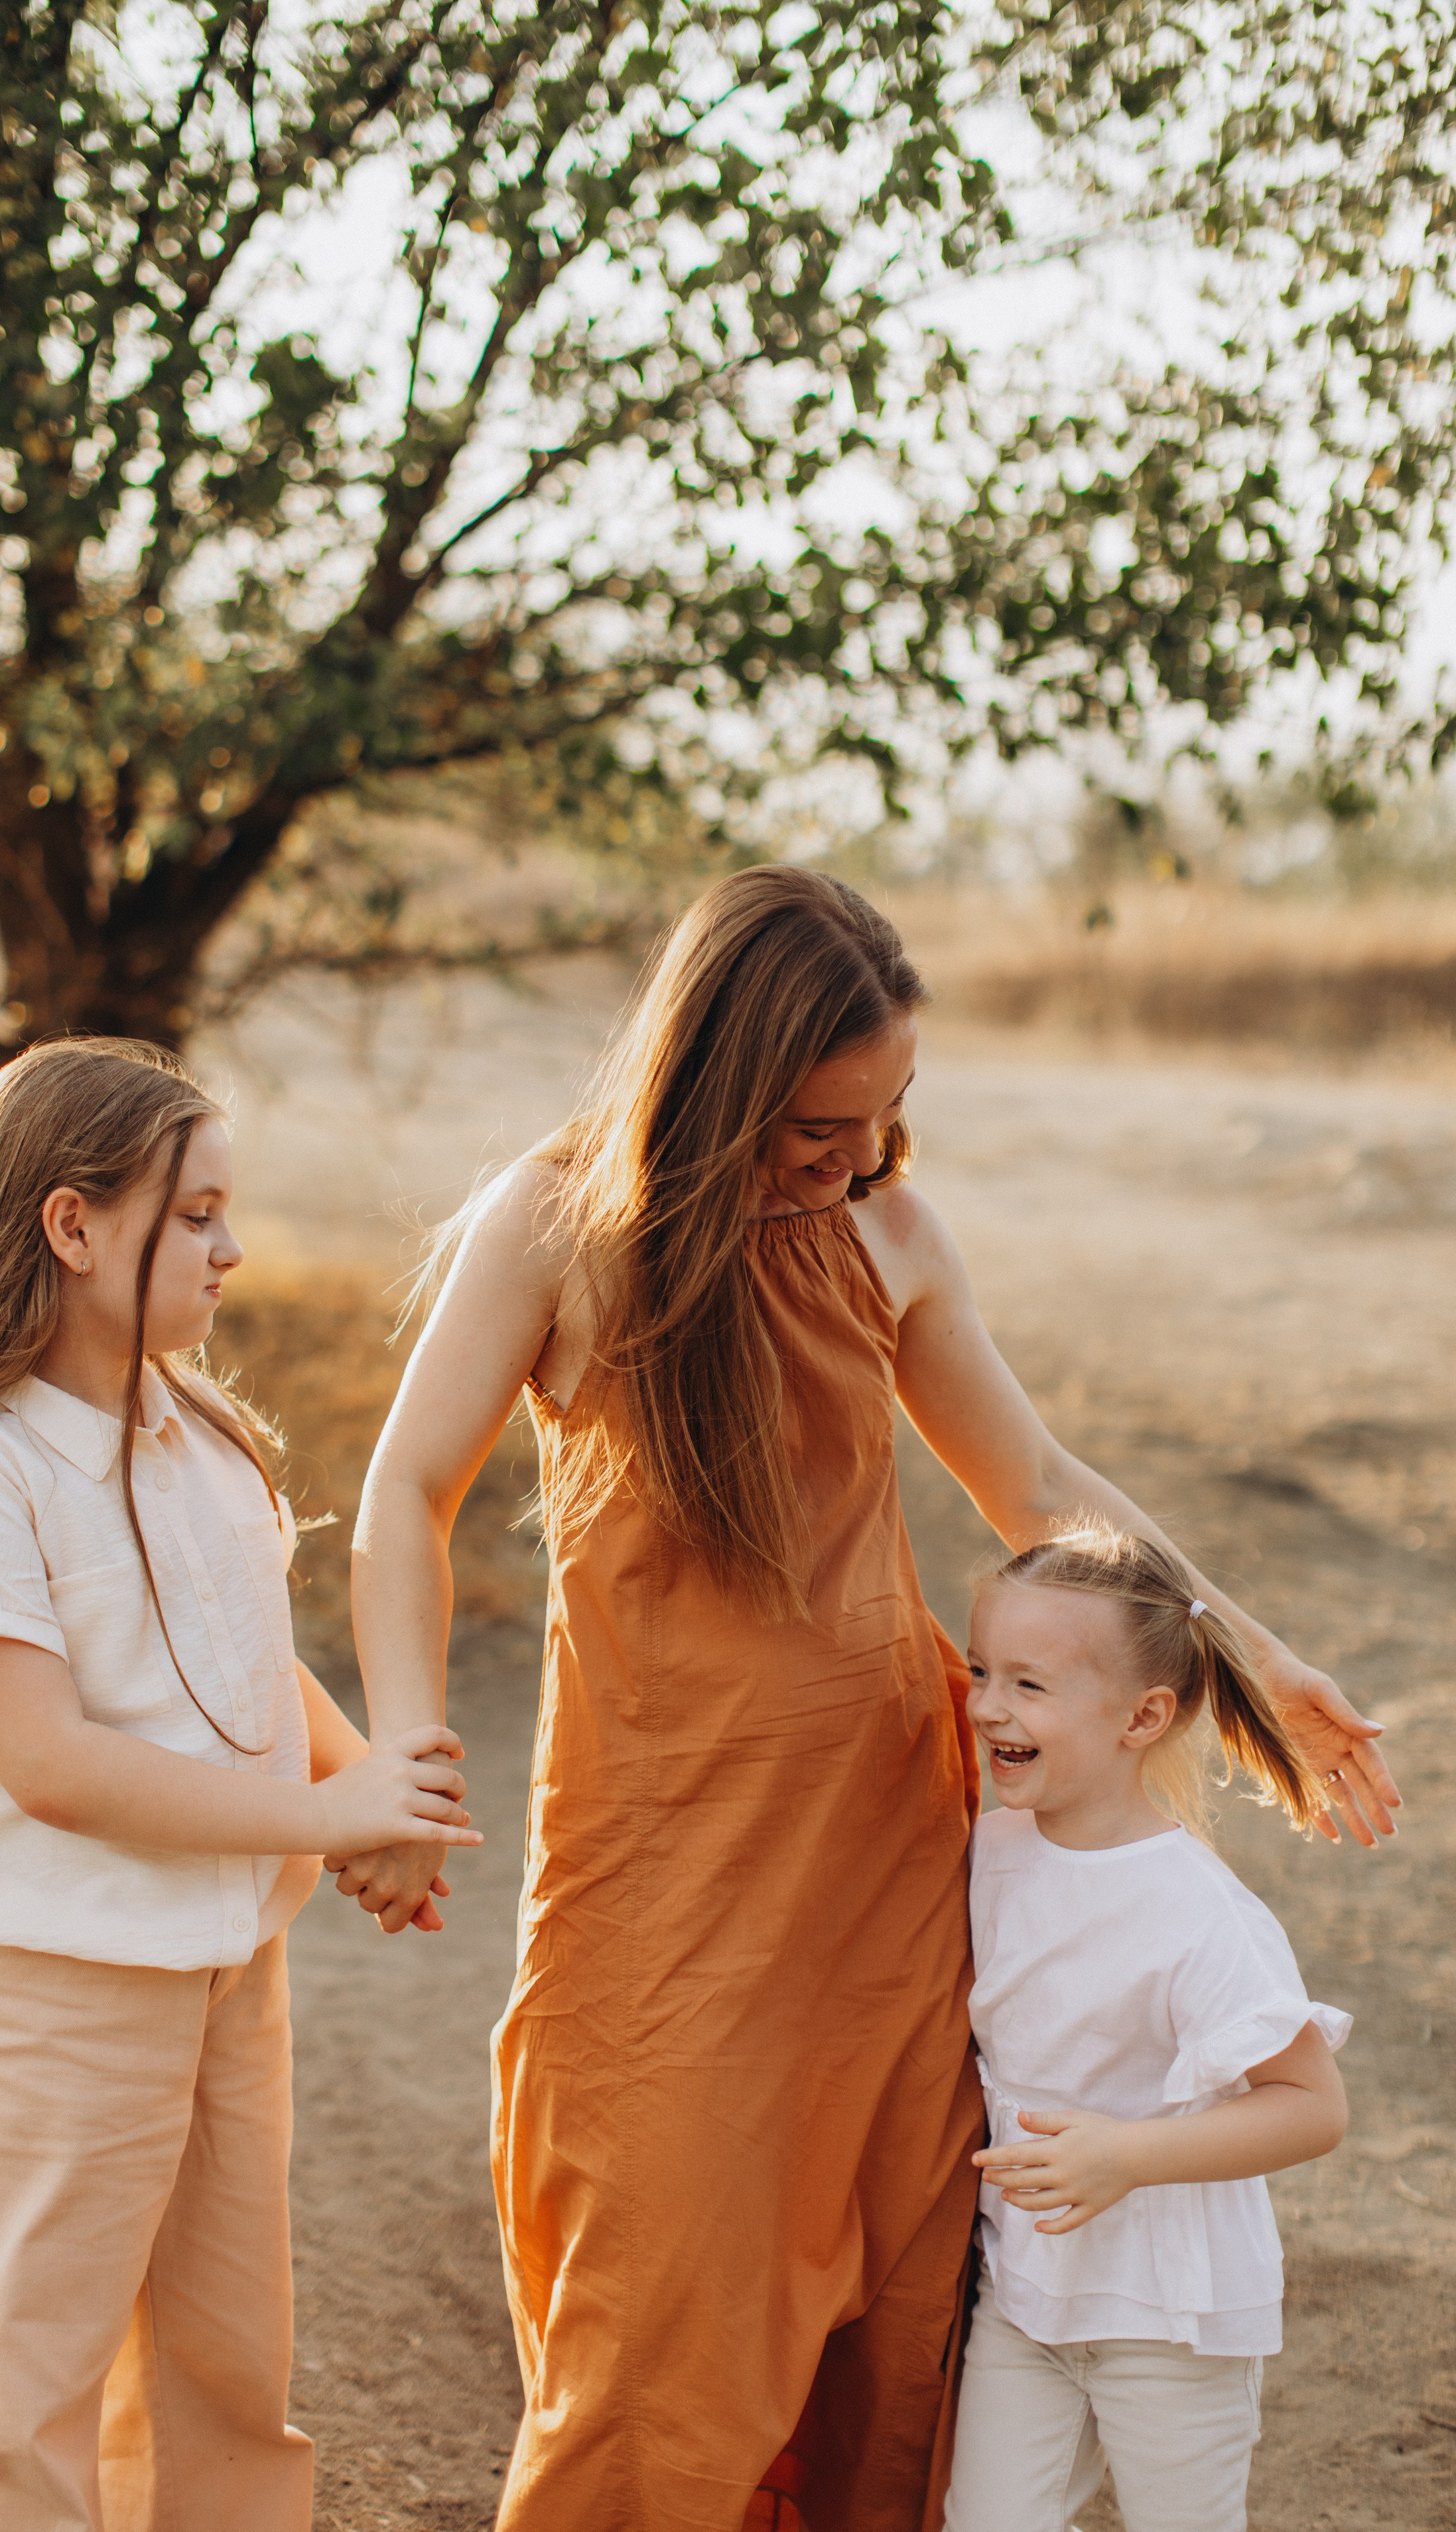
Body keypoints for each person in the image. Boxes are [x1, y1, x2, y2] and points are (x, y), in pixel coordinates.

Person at [342, 865, 1398, 2532]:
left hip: (895, 1852)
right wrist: (407, 1747)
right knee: (649, 2328)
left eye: (889, 1111)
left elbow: (1038, 1481)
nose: (857, 1155)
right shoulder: (553, 1228)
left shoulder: (885, 1231)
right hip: (655, 1855)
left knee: (893, 2329)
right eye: (815, 1124)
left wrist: (1250, 1654)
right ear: (712, 1083)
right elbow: (405, 1491)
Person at [0, 1039, 482, 2532]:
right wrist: (323, 1817)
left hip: (227, 1976)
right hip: (47, 1994)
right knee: (19, 2406)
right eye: (200, 1213)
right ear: (73, 1225)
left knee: (228, 2373)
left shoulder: (204, 1432)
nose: (235, 1248)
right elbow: (46, 1763)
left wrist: (375, 1801)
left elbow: (245, 1669)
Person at [949, 1520, 1352, 2532]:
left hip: (1172, 2316)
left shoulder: (1198, 1914)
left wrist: (1130, 2154)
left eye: (1030, 1685)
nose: (989, 1704)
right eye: (981, 1669)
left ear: (1143, 1718)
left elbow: (1311, 2108)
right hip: (1026, 2294)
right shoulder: (988, 1850)